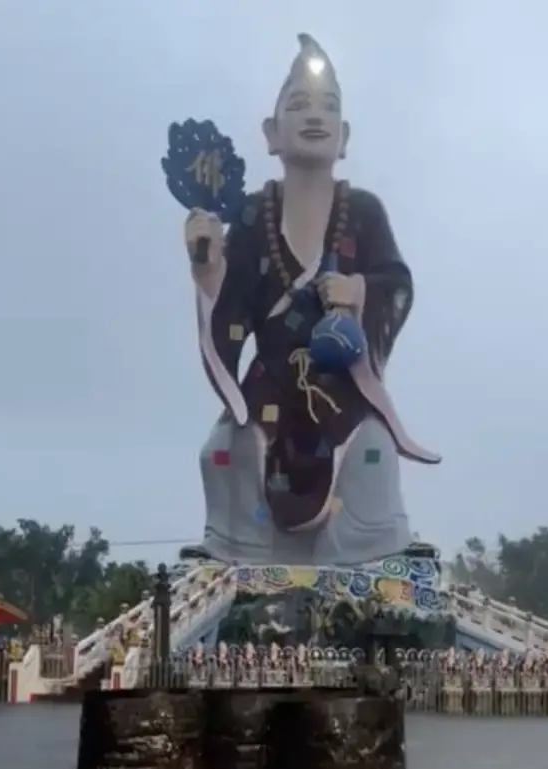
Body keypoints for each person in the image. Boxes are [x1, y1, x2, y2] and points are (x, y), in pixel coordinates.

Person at [182, 34, 441, 567]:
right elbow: (231, 308)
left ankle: (366, 557)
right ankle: (238, 552)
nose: (315, 115)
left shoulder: (363, 211)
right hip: (271, 384)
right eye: (299, 104)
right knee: (225, 451)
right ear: (271, 133)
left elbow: (397, 282)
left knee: (371, 451)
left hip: (340, 388)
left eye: (328, 106)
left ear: (343, 136)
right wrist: (207, 269)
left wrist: (359, 291)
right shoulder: (251, 216)